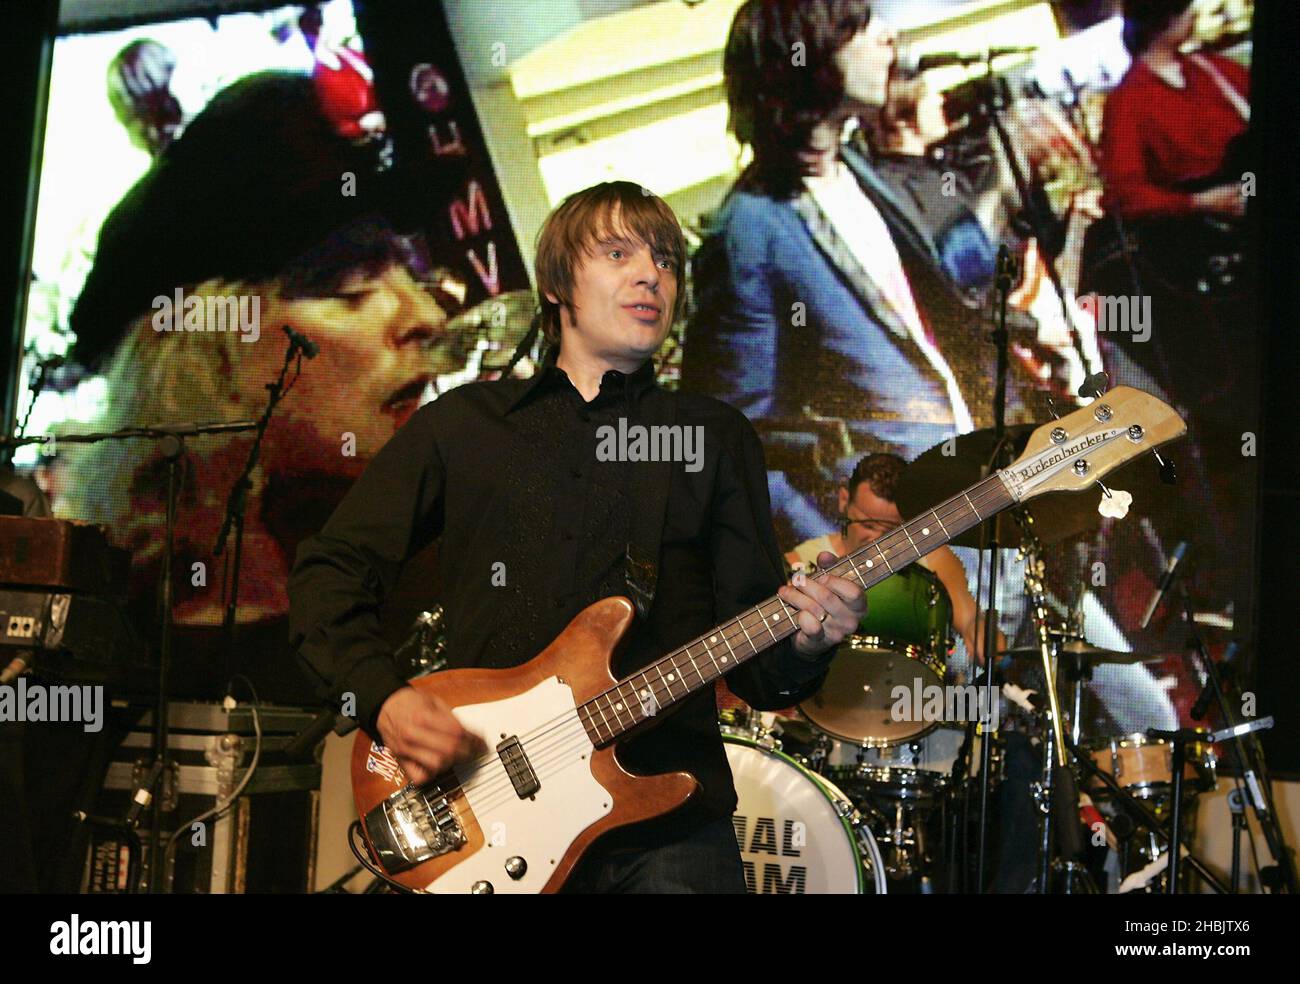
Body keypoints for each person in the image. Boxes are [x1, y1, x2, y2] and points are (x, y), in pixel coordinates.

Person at [287, 180, 867, 893]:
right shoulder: (466, 426)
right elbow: (329, 571)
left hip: (671, 833)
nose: (651, 273)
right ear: (559, 282)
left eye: (666, 260)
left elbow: (755, 661)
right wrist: (383, 697)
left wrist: (808, 641)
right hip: (489, 824)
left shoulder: (714, 438)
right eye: (619, 253)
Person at [681, 0, 1044, 550]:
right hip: (906, 543)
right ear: (808, 59)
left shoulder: (859, 170)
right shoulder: (749, 230)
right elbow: (734, 443)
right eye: (859, 26)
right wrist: (846, 554)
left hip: (980, 488)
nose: (887, 37)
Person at [786, 452, 998, 662]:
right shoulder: (801, 560)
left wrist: (980, 632)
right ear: (844, 500)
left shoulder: (932, 557)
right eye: (867, 525)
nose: (877, 540)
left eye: (892, 533)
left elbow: (970, 618)